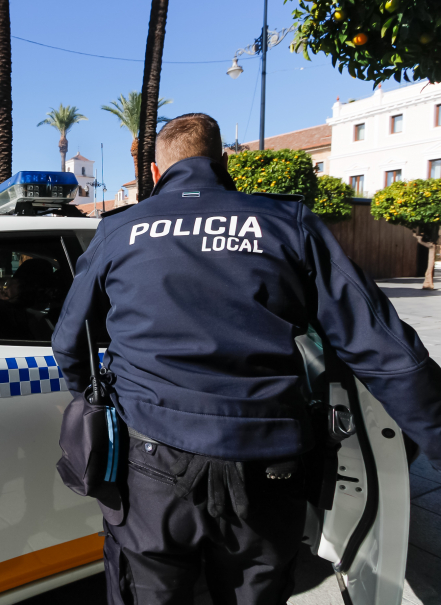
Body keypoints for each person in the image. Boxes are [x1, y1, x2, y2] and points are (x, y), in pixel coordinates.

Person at [51, 113, 441, 604]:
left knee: (148, 590)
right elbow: (383, 348)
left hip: (150, 461)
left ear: (154, 172)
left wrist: (98, 406)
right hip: (268, 460)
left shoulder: (119, 230)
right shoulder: (286, 222)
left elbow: (69, 343)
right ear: (224, 162)